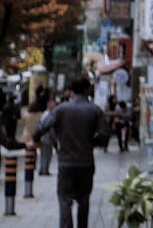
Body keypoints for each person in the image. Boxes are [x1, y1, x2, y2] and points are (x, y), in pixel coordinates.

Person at [32, 78, 107, 228]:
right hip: (86, 162)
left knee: (65, 199)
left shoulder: (61, 109)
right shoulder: (95, 110)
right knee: (84, 199)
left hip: (66, 162)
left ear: (71, 91)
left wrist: (36, 138)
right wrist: (90, 143)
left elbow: (43, 127)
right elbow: (105, 135)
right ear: (87, 90)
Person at [37, 97, 56, 175]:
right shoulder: (49, 114)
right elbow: (48, 127)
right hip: (46, 137)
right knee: (46, 155)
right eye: (53, 103)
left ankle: (43, 169)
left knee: (43, 155)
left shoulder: (45, 113)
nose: (54, 105)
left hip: (43, 137)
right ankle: (44, 170)